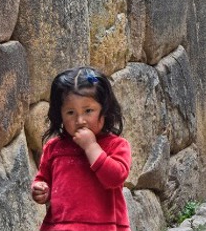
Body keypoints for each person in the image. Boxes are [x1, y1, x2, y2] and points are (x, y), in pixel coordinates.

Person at [32, 66, 132, 230]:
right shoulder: (54, 148)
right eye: (70, 112)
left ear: (105, 110)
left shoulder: (116, 146)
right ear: (60, 115)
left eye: (88, 111)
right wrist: (41, 189)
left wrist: (91, 147)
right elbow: (43, 179)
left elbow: (115, 178)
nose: (80, 120)